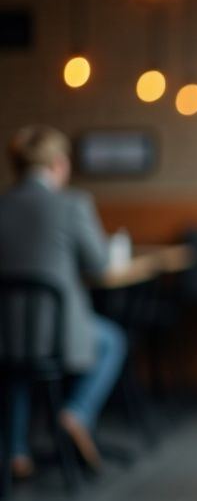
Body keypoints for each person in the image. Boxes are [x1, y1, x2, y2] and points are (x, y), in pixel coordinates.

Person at [0, 125, 127, 477]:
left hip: (6, 335)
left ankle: (16, 452)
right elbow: (99, 265)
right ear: (59, 163)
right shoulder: (72, 204)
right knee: (112, 339)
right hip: (61, 335)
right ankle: (76, 411)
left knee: (17, 372)